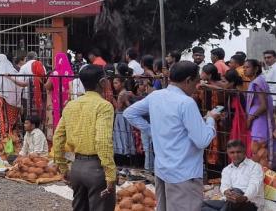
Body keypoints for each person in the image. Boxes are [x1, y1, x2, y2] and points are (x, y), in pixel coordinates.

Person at [124, 61, 219, 211]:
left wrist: (151, 131)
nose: (197, 86)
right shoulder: (186, 103)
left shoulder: (156, 96)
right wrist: (211, 119)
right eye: (196, 81)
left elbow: (129, 113)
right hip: (184, 174)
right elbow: (202, 140)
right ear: (188, 80)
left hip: (163, 169)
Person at [53, 64, 116, 211]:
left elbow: (58, 138)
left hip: (77, 167)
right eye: (106, 79)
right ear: (102, 82)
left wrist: (63, 167)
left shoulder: (71, 105)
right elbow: (102, 141)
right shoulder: (104, 106)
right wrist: (110, 174)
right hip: (96, 169)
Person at [201, 140, 264, 211]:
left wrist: (244, 197)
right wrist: (226, 191)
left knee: (236, 191)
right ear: (228, 153)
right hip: (230, 202)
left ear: (244, 152)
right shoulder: (226, 170)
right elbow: (224, 186)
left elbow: (254, 186)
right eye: (232, 152)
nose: (235, 155)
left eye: (238, 152)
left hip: (250, 203)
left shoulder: (255, 167)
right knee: (201, 205)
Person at [244, 59, 276, 169]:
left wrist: (250, 118)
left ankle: (263, 181)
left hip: (259, 123)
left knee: (259, 154)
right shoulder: (256, 81)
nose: (244, 70)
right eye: (244, 67)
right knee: (258, 154)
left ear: (256, 68)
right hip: (258, 122)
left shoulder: (257, 82)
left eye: (247, 67)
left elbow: (263, 105)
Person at [0, 54, 22, 137]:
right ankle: (13, 137)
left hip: (2, 99)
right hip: (14, 101)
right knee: (12, 120)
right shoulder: (12, 69)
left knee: (4, 119)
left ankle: (5, 137)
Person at [44, 53, 73, 136]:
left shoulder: (54, 73)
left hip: (57, 100)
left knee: (58, 117)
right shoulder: (70, 73)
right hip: (68, 101)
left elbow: (47, 86)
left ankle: (58, 136)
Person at [112, 77, 136, 161]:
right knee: (125, 135)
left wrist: (112, 98)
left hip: (121, 117)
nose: (114, 85)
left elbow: (118, 107)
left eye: (116, 83)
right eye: (114, 83)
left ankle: (123, 154)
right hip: (124, 117)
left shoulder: (122, 94)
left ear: (122, 84)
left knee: (122, 135)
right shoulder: (125, 92)